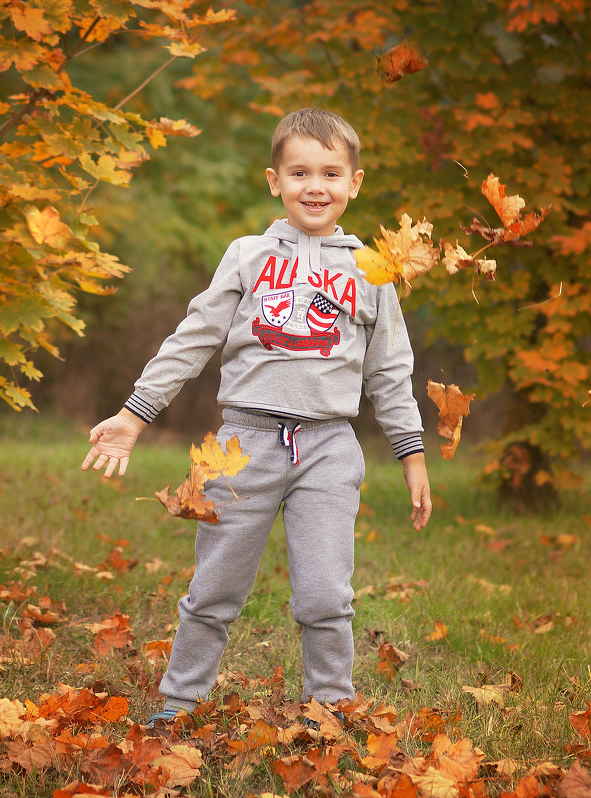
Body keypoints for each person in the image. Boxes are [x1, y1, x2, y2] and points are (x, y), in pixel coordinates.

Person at [80, 107, 432, 727]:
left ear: (355, 182)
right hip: (243, 444)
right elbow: (194, 337)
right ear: (275, 181)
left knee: (326, 595)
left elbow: (389, 371)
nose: (315, 186)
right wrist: (136, 414)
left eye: (330, 172)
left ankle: (330, 711)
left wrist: (411, 453)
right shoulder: (247, 256)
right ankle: (180, 704)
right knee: (214, 589)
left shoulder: (373, 272)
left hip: (328, 447)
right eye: (300, 172)